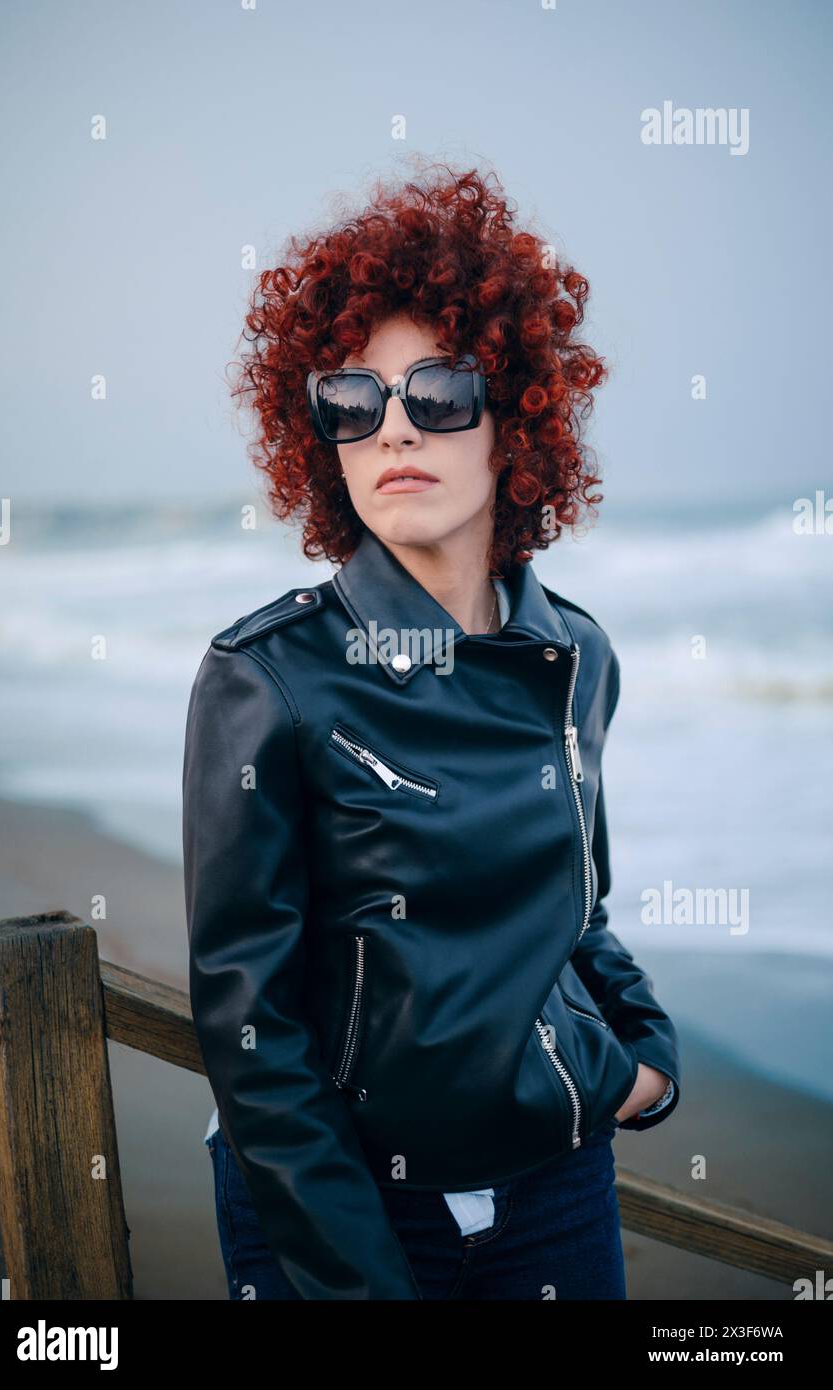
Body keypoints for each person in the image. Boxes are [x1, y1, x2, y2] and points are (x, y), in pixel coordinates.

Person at [183, 161, 680, 1301]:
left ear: (513, 418)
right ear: (323, 439)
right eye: (351, 402)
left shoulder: (577, 658)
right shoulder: (265, 677)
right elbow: (248, 1029)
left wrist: (644, 1060)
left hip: (557, 1189)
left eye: (439, 392)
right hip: (342, 1200)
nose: (393, 427)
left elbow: (578, 912)